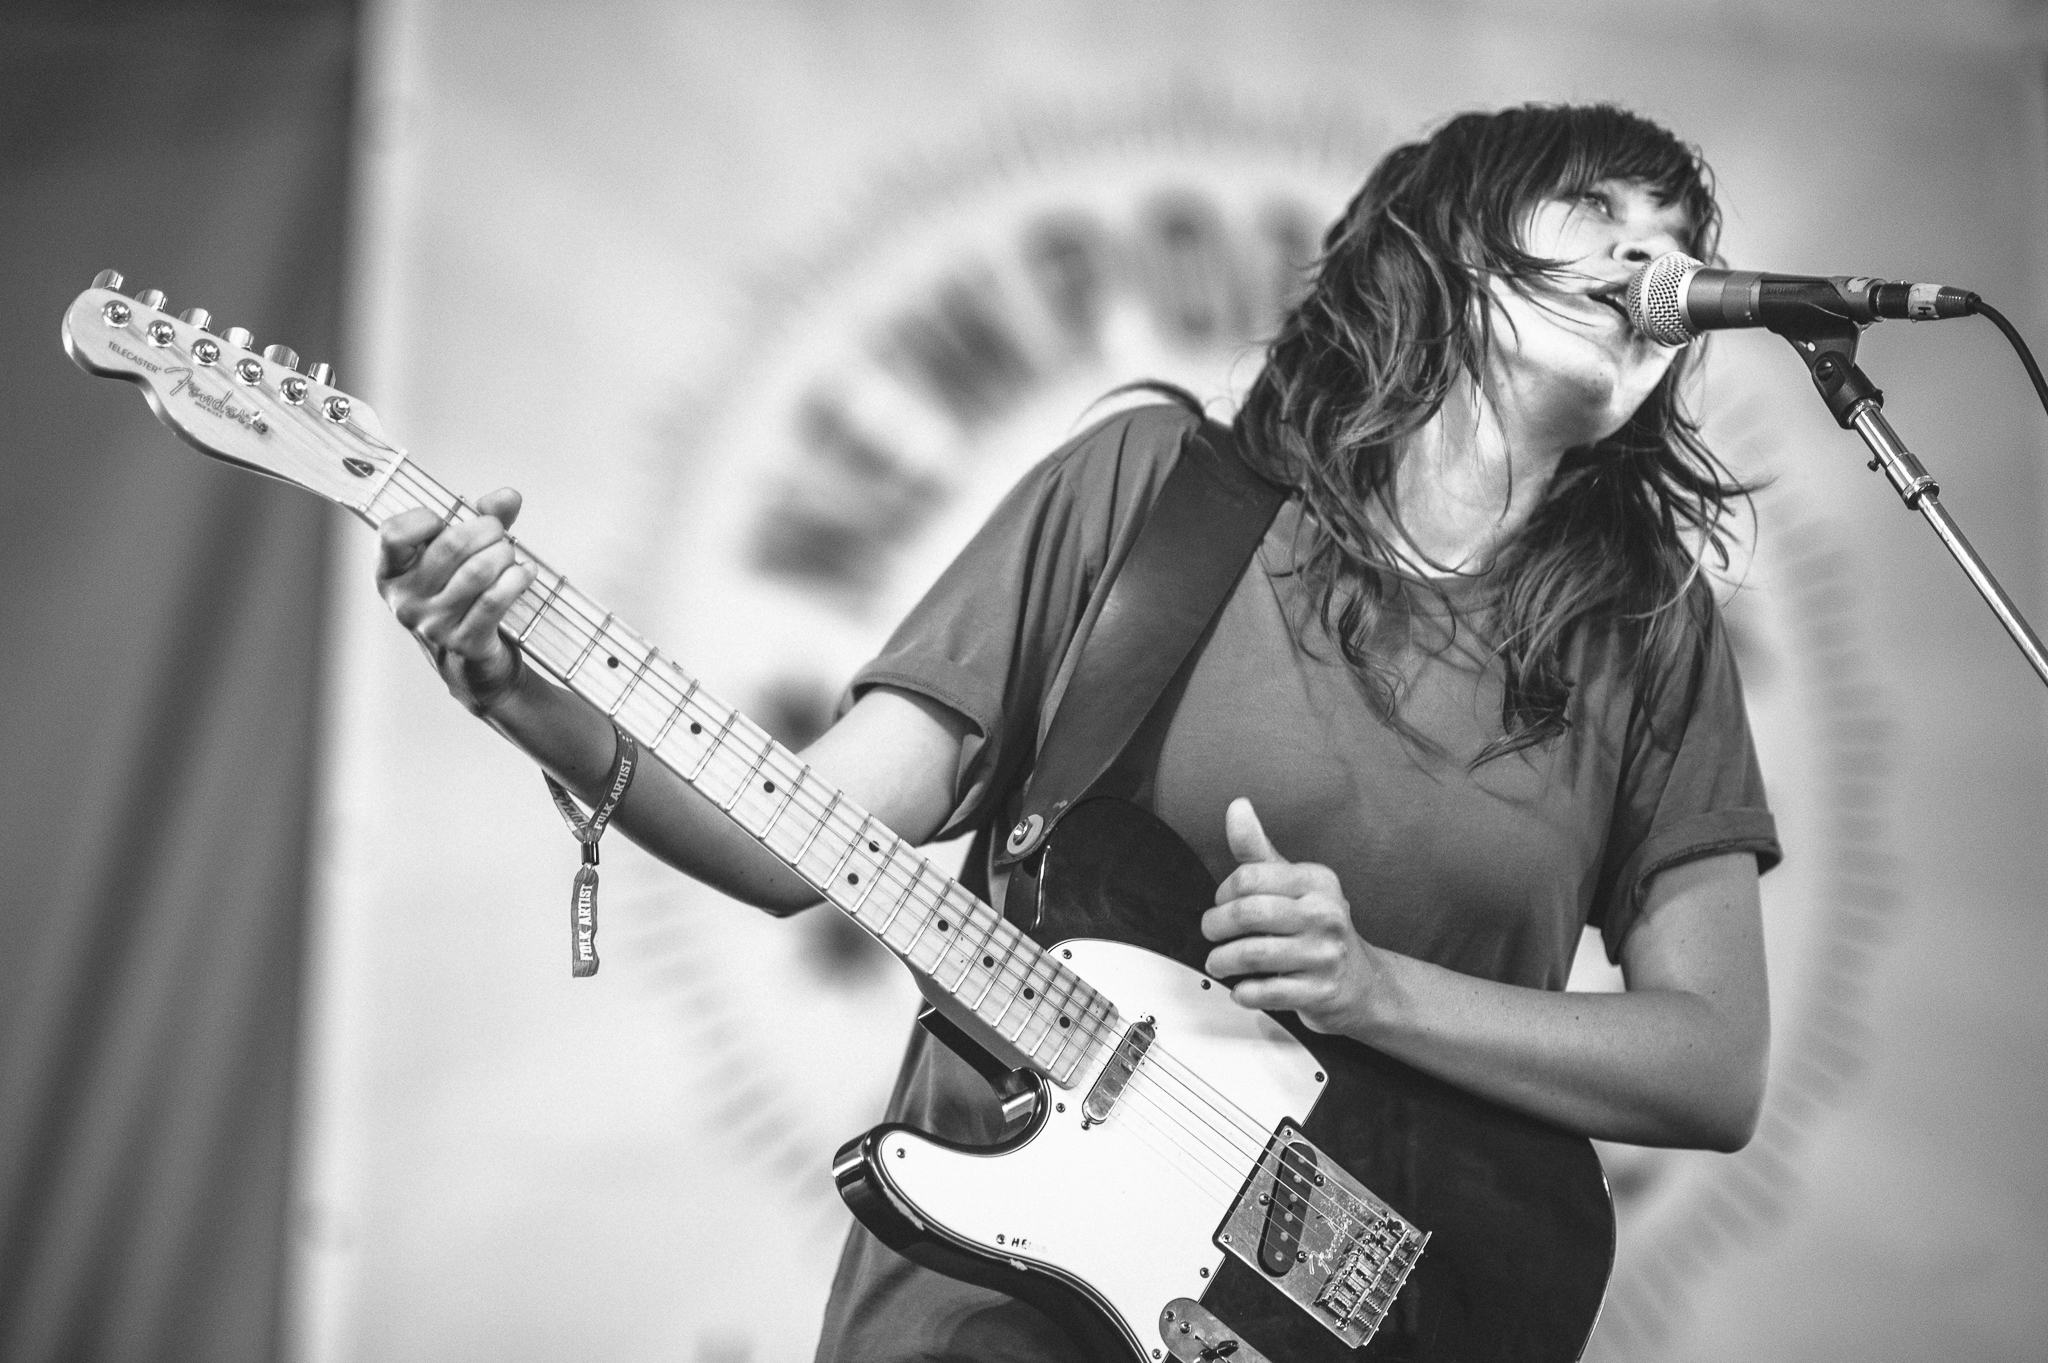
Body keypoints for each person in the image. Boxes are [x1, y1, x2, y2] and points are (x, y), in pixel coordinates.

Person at [376, 103, 1780, 1360]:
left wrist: (1375, 992)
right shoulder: (1156, 498)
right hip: (994, 1320)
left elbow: (1711, 1067)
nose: (1649, 252)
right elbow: (802, 842)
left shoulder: (1645, 630)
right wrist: (520, 690)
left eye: (1674, 231)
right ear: (1443, 240)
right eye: (1595, 207)